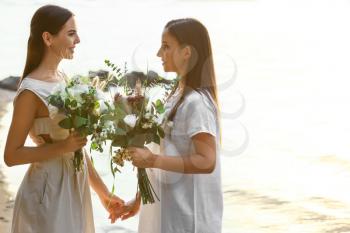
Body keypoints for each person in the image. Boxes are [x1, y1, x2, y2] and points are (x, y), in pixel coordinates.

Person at [3, 5, 124, 233]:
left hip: (74, 184)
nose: (78, 40)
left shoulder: (63, 79)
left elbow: (77, 148)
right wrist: (63, 147)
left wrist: (104, 194)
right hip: (47, 191)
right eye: (71, 34)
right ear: (48, 38)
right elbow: (11, 155)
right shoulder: (30, 91)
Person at [124, 18, 223, 233]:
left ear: (187, 52)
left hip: (186, 218)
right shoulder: (176, 94)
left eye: (166, 46)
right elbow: (162, 147)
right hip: (164, 211)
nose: (160, 54)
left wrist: (152, 160)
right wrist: (140, 199)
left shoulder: (197, 102)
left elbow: (207, 161)